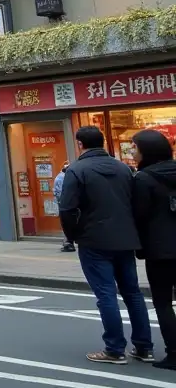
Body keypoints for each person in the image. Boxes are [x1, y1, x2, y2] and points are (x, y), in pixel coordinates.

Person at [59, 125, 153, 364]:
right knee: (133, 292)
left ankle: (114, 348)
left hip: (94, 239)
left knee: (106, 294)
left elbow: (67, 209)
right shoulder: (123, 168)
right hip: (125, 238)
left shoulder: (77, 170)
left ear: (80, 144)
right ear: (102, 142)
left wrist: (73, 235)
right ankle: (144, 346)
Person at [131, 129, 176, 371]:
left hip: (160, 249)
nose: (132, 153)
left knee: (163, 302)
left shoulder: (144, 179)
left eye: (134, 148)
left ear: (146, 151)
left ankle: (174, 352)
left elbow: (140, 214)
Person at [53, 162, 76, 252]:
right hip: (66, 204)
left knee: (66, 222)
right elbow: (60, 192)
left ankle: (68, 242)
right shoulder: (62, 177)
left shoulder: (60, 177)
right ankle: (68, 242)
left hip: (64, 203)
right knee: (67, 222)